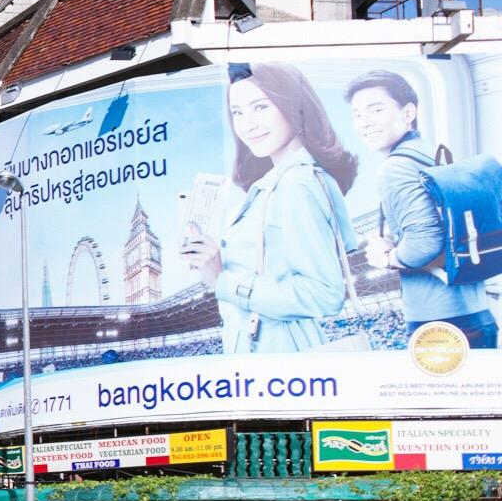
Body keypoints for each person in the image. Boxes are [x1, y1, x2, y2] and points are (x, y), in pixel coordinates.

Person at [182, 63, 360, 353]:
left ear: (295, 107)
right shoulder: (278, 184)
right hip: (265, 357)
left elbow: (324, 293)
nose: (247, 124)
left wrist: (223, 280)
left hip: (280, 363)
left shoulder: (296, 185)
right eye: (237, 113)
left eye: (260, 107)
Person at [346, 69, 499, 348]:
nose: (364, 122)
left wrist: (387, 257)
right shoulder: (429, 153)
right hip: (475, 310)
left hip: (440, 321)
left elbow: (425, 243)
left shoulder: (396, 167)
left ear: (408, 113)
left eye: (375, 110)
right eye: (356, 114)